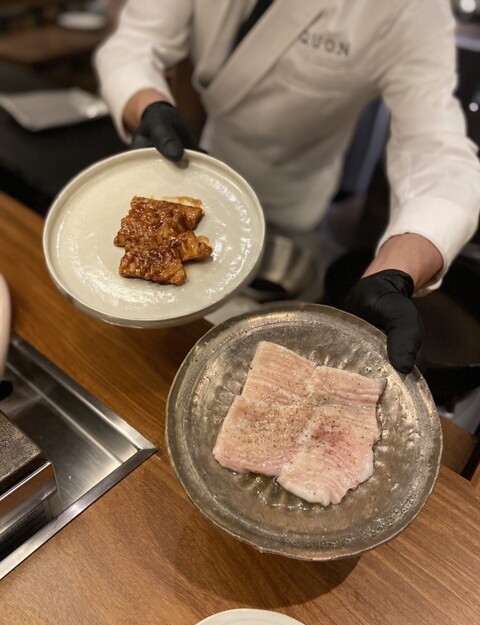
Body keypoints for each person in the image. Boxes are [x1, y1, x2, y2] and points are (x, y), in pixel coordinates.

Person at [94, 0, 480, 374]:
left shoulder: (412, 7)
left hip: (294, 199)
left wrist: (395, 272)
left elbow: (436, 147)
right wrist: (149, 106)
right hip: (209, 167)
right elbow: (135, 42)